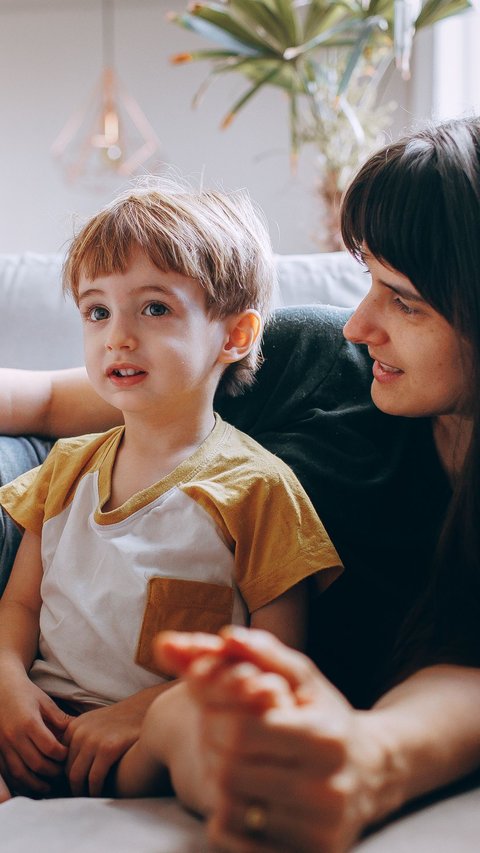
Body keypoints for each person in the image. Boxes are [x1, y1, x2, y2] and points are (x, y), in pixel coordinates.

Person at [0, 115, 479, 849]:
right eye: (367, 281)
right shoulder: (316, 359)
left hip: (233, 714)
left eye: (404, 299)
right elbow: (42, 400)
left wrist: (369, 754)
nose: (358, 324)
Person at [0, 184, 341, 801]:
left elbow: (275, 652)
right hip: (40, 724)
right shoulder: (66, 468)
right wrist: (7, 684)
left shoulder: (257, 487)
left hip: (144, 739)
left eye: (154, 309)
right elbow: (19, 607)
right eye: (97, 311)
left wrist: (141, 713)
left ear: (235, 337)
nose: (117, 337)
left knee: (191, 726)